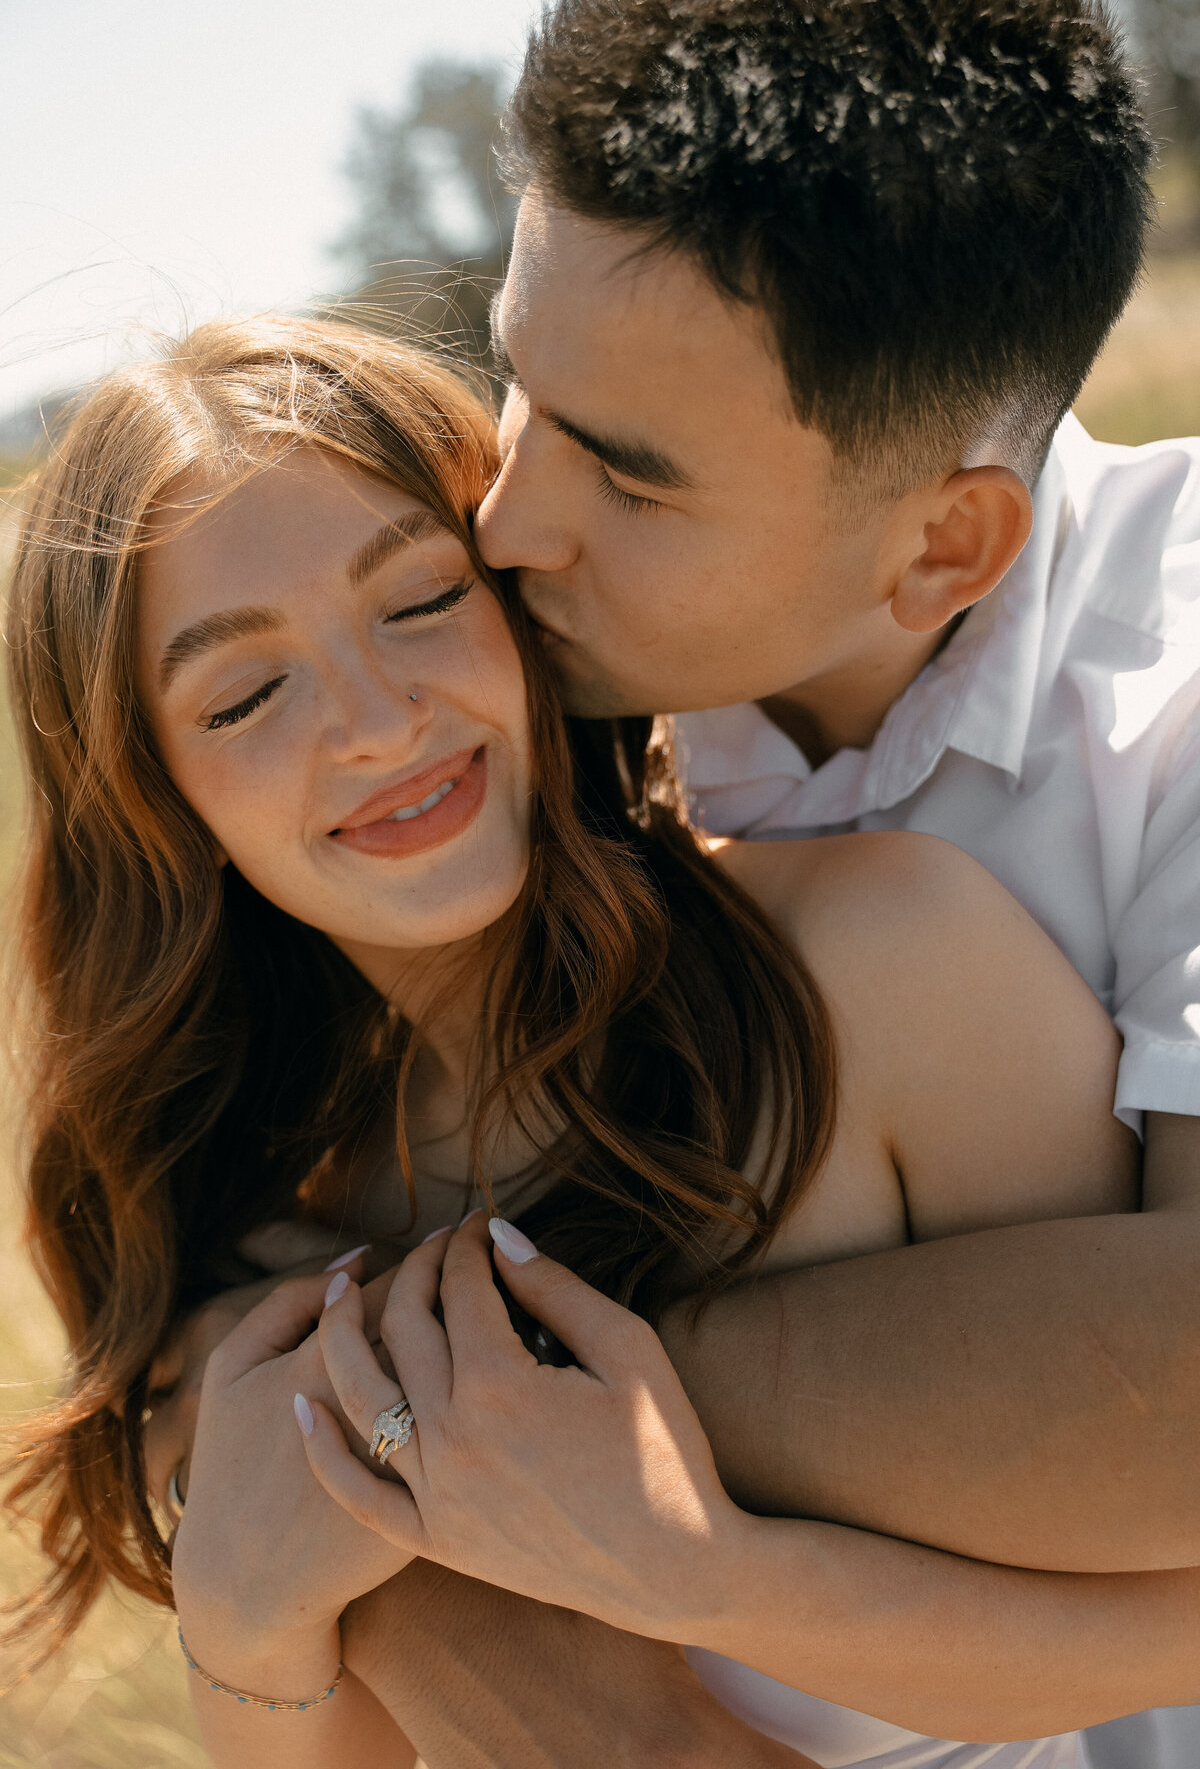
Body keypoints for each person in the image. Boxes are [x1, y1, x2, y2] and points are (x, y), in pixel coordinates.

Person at [5, 314, 1173, 1769]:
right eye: (244, 694)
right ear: (156, 797)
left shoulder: (881, 974)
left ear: (521, 606)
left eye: (421, 601)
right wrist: (240, 1633)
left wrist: (700, 1569)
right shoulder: (280, 1208)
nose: (378, 722)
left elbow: (1165, 1635)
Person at [275, 0, 1200, 1767]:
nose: (503, 517)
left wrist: (476, 1399)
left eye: (627, 476)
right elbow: (202, 1259)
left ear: (945, 544)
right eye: (517, 381)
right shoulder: (469, 682)